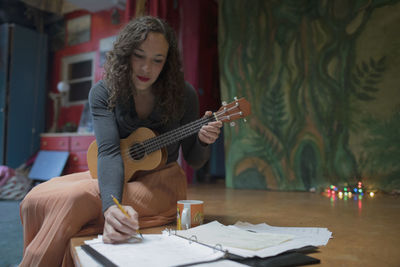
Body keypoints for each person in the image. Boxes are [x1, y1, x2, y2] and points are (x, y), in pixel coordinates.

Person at [19, 16, 222, 266]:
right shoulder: (103, 92)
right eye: (139, 56)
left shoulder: (184, 95)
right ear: (125, 54)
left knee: (73, 200)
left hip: (163, 183)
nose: (147, 68)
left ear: (167, 63)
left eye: (157, 60)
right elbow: (108, 152)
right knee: (35, 197)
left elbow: (195, 160)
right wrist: (111, 205)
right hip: (120, 173)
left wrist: (203, 141)